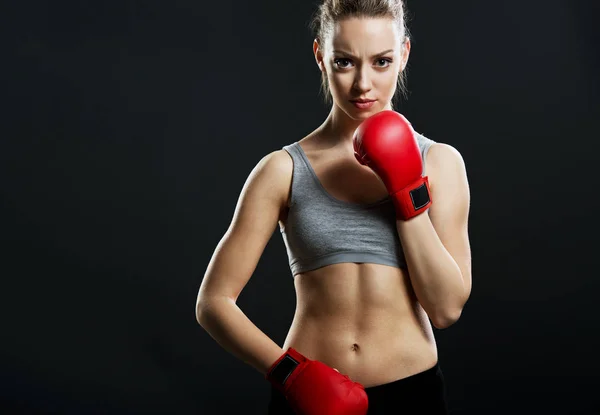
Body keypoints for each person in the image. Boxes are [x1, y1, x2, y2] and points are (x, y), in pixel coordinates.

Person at [195, 0, 472, 413]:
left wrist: (406, 190)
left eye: (381, 61)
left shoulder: (440, 162)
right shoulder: (282, 169)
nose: (363, 84)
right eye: (345, 62)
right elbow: (213, 302)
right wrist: (290, 374)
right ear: (320, 56)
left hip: (411, 394)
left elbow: (446, 308)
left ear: (404, 55)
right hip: (310, 395)